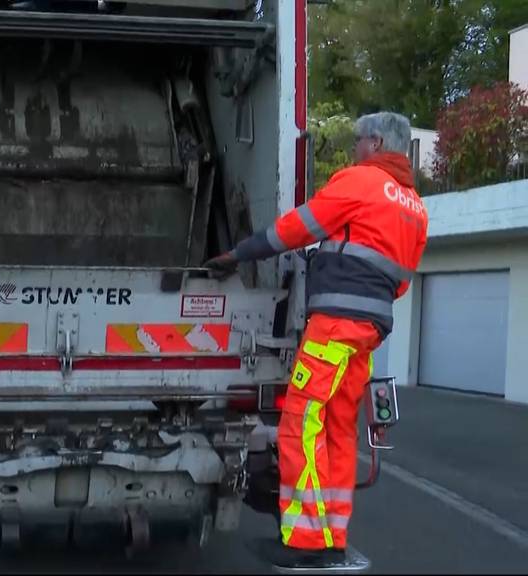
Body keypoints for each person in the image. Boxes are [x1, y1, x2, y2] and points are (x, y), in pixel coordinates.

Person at [205, 112, 428, 569]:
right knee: (338, 430)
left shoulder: (360, 182)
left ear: (379, 142)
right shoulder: (414, 207)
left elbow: (294, 229)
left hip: (335, 325)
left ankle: (305, 541)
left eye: (359, 140)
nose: (354, 149)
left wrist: (238, 254)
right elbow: (401, 283)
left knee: (301, 422)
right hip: (369, 331)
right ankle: (332, 537)